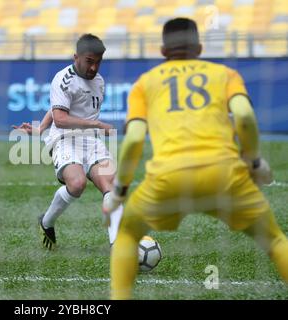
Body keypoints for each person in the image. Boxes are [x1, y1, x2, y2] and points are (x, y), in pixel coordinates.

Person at [103, 17, 288, 299]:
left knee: (127, 235)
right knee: (274, 239)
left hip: (168, 178)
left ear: (163, 52)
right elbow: (245, 117)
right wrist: (254, 162)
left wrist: (119, 192)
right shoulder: (226, 74)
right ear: (200, 48)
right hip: (226, 175)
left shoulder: (144, 83)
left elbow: (135, 139)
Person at [14, 34, 124, 250]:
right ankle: (46, 222)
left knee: (111, 185)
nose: (93, 67)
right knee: (77, 184)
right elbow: (61, 118)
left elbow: (59, 106)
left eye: (98, 62)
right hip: (65, 138)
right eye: (89, 61)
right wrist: (98, 125)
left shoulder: (100, 82)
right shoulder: (63, 79)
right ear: (77, 57)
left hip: (90, 140)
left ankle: (117, 245)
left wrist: (40, 128)